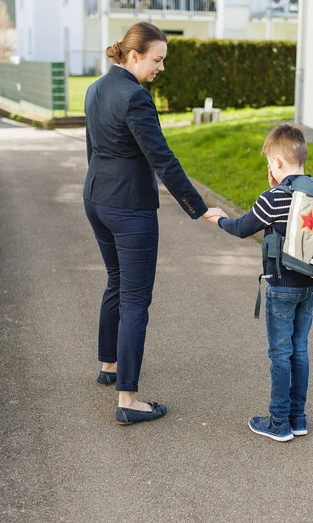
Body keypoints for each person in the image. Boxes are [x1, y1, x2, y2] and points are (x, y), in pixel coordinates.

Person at [83, 21, 225, 425]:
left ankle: (108, 366)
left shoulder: (96, 88)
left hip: (96, 199)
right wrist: (200, 208)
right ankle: (128, 399)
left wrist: (97, 187)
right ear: (134, 56)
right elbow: (162, 159)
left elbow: (94, 149)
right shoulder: (136, 98)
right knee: (134, 301)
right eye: (157, 59)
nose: (160, 67)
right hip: (129, 209)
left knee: (115, 281)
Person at [205, 125, 313, 441]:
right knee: (300, 349)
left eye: (269, 163)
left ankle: (278, 423)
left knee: (280, 353)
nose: (269, 169)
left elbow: (242, 227)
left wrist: (218, 218)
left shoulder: (273, 197)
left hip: (281, 286)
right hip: (309, 286)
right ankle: (298, 418)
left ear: (278, 164)